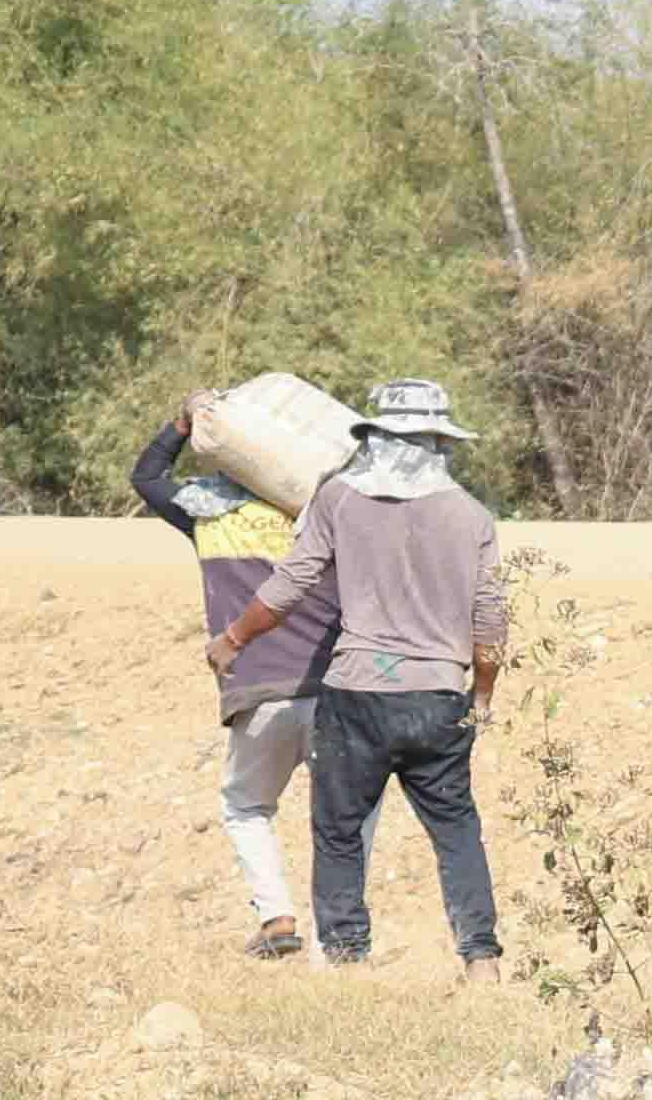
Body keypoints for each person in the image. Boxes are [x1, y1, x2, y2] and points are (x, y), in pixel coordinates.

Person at [210, 376, 508, 979]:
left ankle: (349, 960)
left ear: (374, 438)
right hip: (439, 696)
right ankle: (480, 960)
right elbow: (490, 618)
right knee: (456, 830)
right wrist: (481, 694)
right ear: (440, 444)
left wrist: (234, 638)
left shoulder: (340, 500)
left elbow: (292, 582)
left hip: (357, 693)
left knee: (339, 829)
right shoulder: (471, 515)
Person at [133, 399, 322, 957]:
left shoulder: (208, 518)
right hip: (333, 688)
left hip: (258, 690)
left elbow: (147, 478)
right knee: (345, 813)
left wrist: (182, 425)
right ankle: (342, 932)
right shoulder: (316, 517)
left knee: (246, 806)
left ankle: (277, 919)